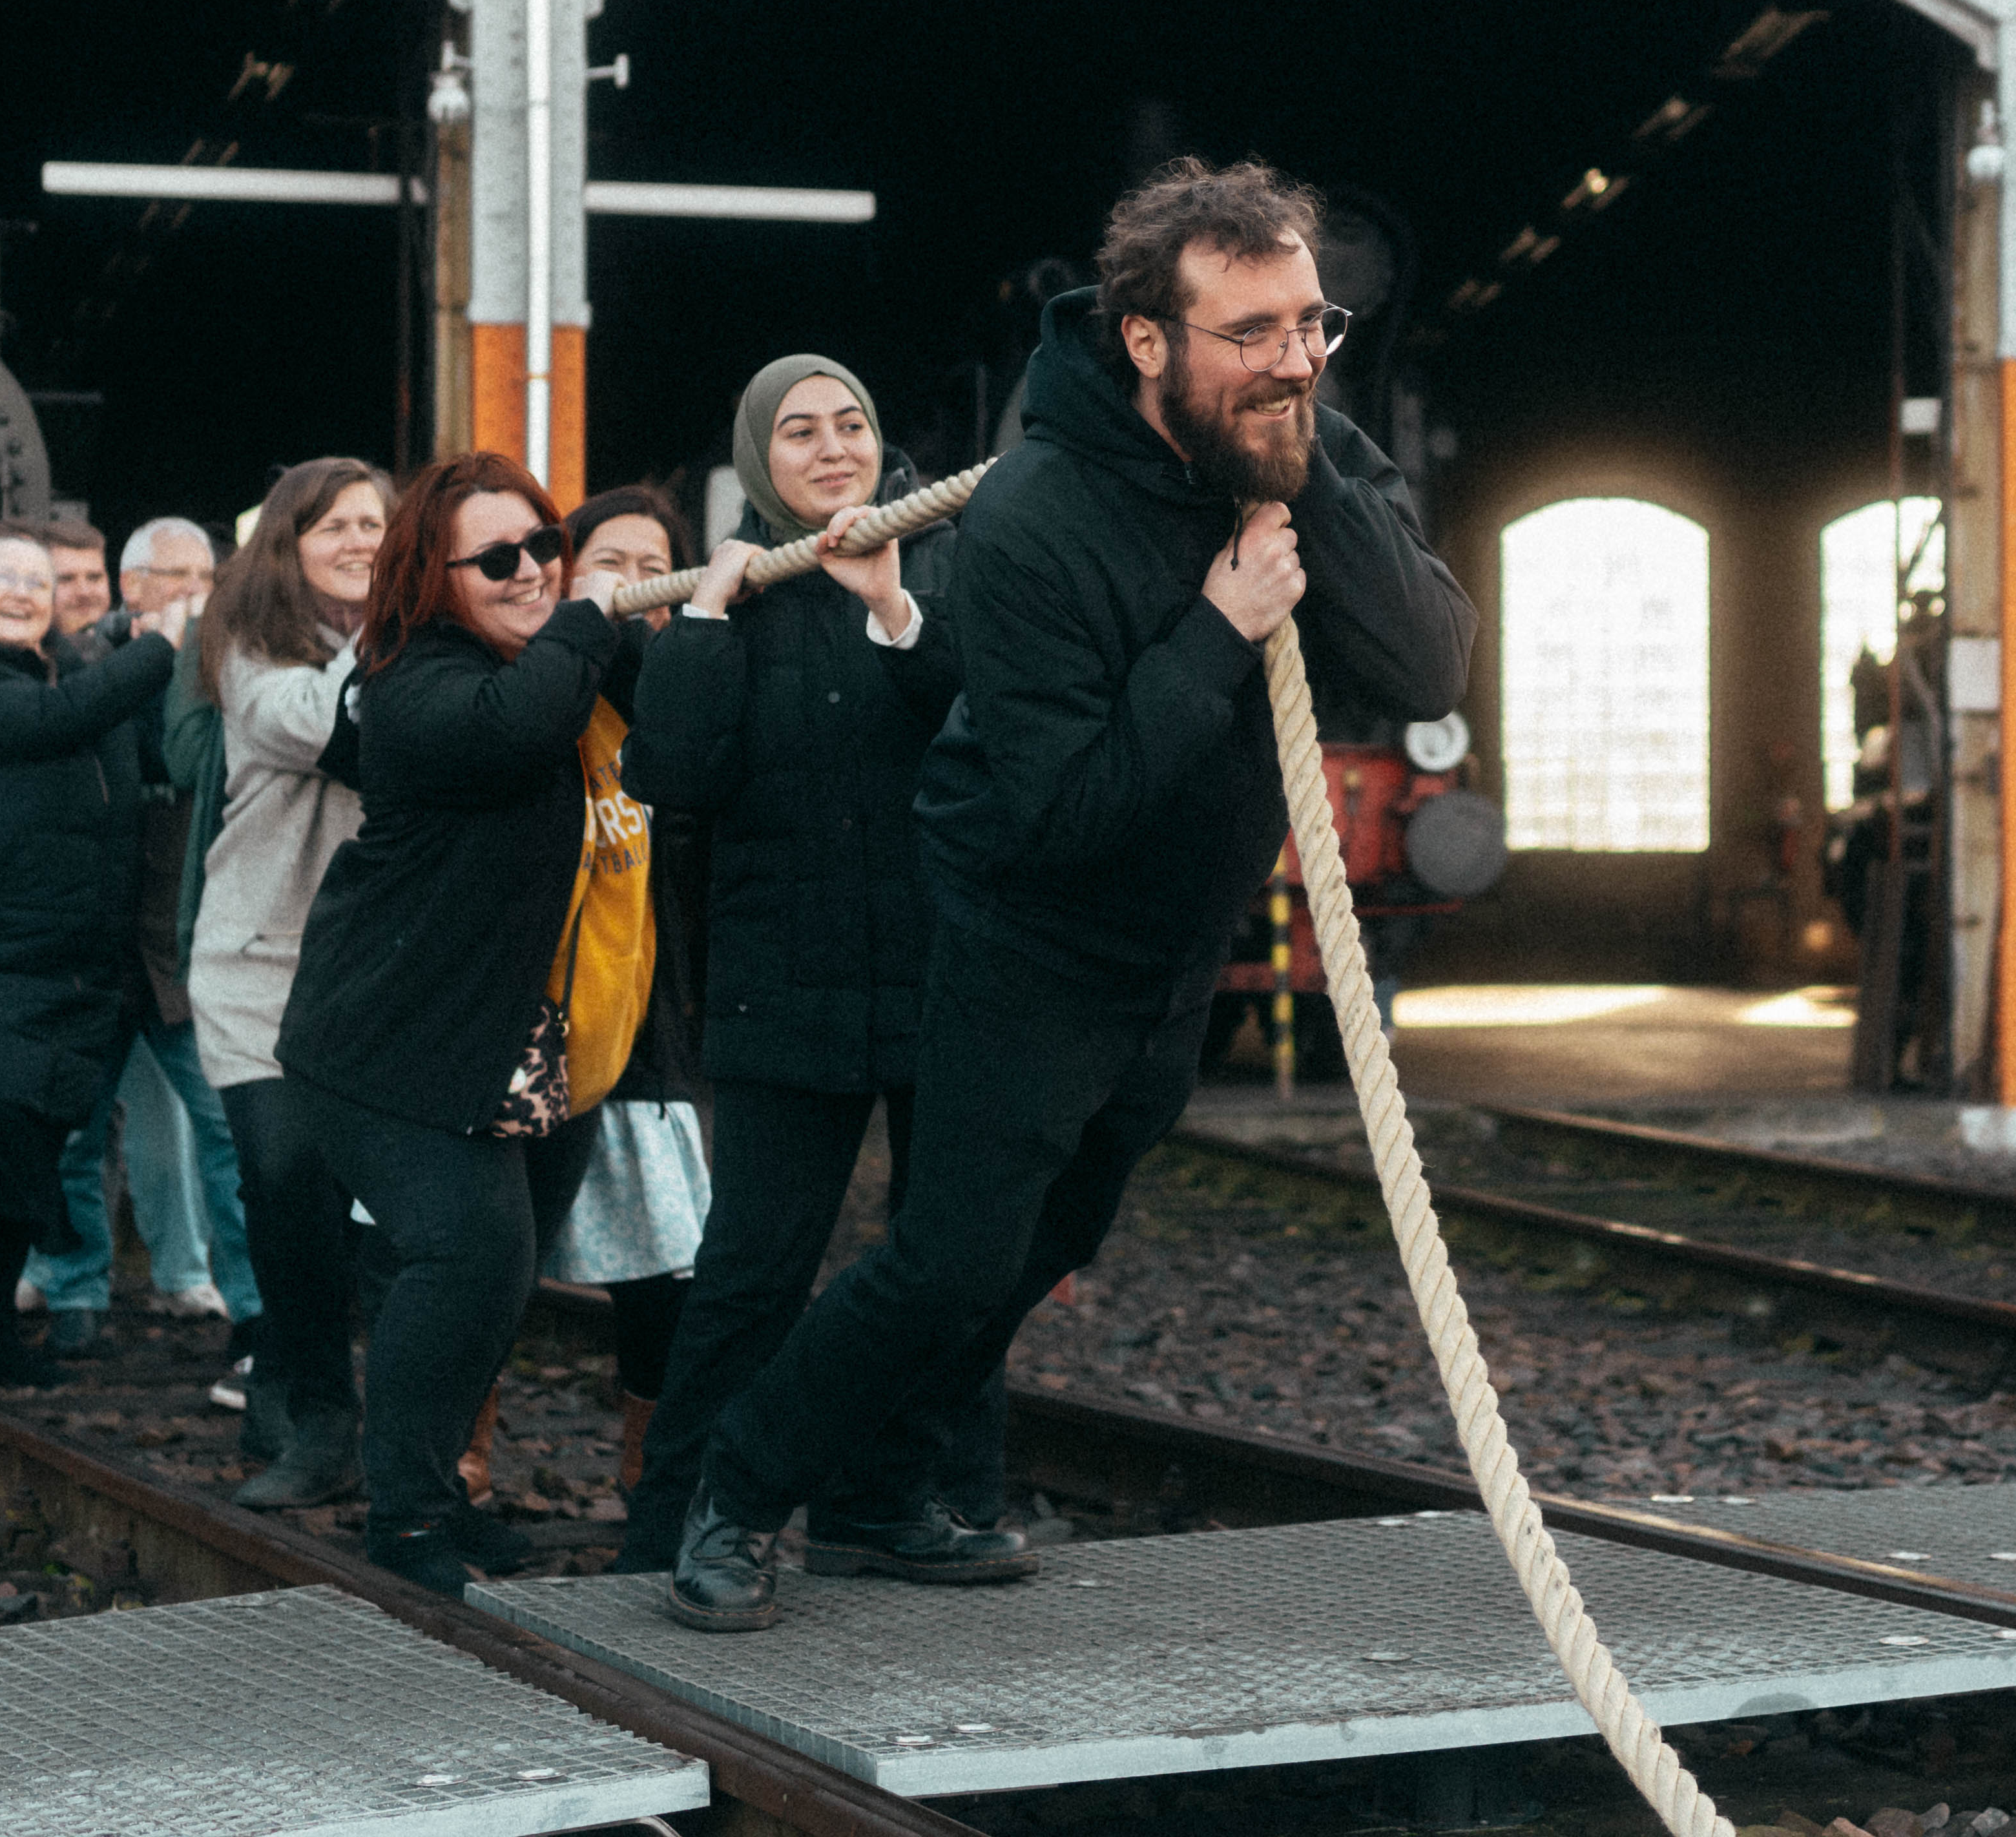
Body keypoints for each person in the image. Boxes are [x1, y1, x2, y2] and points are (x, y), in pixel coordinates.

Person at [668, 160, 1475, 1631]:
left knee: (1050, 1246)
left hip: (1173, 946)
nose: (1293, 356)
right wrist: (1219, 629)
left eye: (1313, 322)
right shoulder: (1040, 513)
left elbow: (1429, 662)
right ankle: (739, 1483)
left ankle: (880, 1502)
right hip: (1028, 931)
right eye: (1254, 331)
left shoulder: (1299, 430)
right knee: (952, 1255)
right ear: (1150, 339)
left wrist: (1297, 468)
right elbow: (1061, 813)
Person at [616, 360, 994, 1572]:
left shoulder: (937, 562)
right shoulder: (730, 589)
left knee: (952, 1256)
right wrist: (711, 621)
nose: (832, 449)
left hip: (939, 967)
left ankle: (888, 1500)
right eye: (799, 431)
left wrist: (891, 609)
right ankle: (674, 1517)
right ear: (754, 456)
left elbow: (980, 727)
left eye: (852, 426)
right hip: (782, 975)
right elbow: (670, 773)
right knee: (751, 1270)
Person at [278, 451, 647, 1591]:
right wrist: (588, 618)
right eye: (498, 556)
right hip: (381, 1037)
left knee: (499, 1265)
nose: (532, 569)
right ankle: (407, 1523)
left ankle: (436, 1493)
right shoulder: (410, 682)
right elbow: (511, 731)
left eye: (544, 544)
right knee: (465, 1253)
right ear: (433, 580)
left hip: (507, 1038)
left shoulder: (557, 662)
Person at [0, 521, 185, 1388]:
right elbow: (54, 721)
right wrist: (161, 646)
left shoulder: (82, 678)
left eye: (38, 581)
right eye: (5, 578)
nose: (24, 593)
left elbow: (157, 760)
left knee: (25, 1151)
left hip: (70, 966)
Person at [185, 458, 391, 1505]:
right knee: (288, 1185)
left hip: (379, 970)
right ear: (288, 541)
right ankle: (317, 1416)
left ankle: (323, 1403)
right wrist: (400, 629)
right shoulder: (246, 648)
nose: (361, 539)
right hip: (261, 964)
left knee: (386, 1214)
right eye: (336, 525)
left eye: (376, 523)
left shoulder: (406, 639)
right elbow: (325, 725)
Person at [19, 515, 263, 1360]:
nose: (200, 591)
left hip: (173, 939)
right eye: (182, 575)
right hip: (92, 935)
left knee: (228, 1132)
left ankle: (253, 1310)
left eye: (208, 574)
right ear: (136, 585)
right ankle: (75, 1287)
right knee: (75, 1130)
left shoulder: (218, 660)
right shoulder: (72, 662)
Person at [550, 484, 714, 1504]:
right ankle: (460, 1472)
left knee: (665, 1272)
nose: (633, 583)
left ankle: (653, 1480)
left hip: (653, 1019)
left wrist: (650, 639)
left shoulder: (678, 690)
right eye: (610, 561)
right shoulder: (543, 681)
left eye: (655, 566)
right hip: (533, 1023)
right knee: (488, 1264)